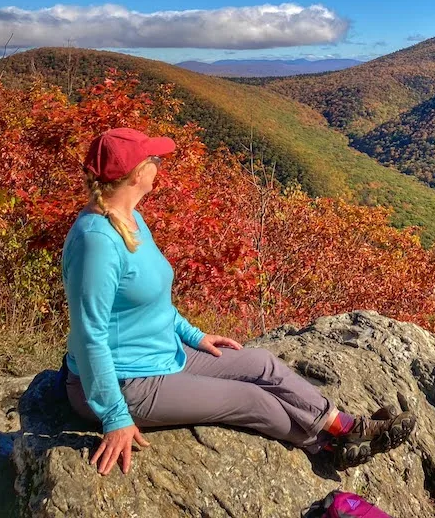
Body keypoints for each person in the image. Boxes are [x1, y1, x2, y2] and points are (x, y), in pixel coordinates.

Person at [62, 127, 415, 477]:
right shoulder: (97, 242)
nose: (159, 164)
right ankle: (325, 446)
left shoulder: (131, 218)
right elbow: (89, 336)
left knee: (262, 364)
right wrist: (115, 417)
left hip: (163, 352)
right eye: (154, 159)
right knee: (250, 399)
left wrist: (193, 335)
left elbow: (151, 302)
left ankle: (349, 428)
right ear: (137, 173)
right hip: (129, 382)